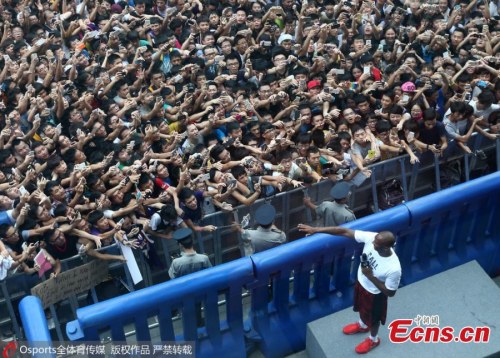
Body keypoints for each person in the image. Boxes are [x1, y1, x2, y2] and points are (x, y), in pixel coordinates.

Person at [297, 225, 401, 354]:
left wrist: (370, 275)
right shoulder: (372, 237)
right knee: (361, 308)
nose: (373, 242)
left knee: (374, 320)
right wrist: (316, 230)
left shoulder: (394, 268)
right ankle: (363, 325)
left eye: (376, 243)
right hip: (361, 284)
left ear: (386, 248)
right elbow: (344, 231)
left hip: (375, 294)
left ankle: (374, 339)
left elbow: (390, 292)